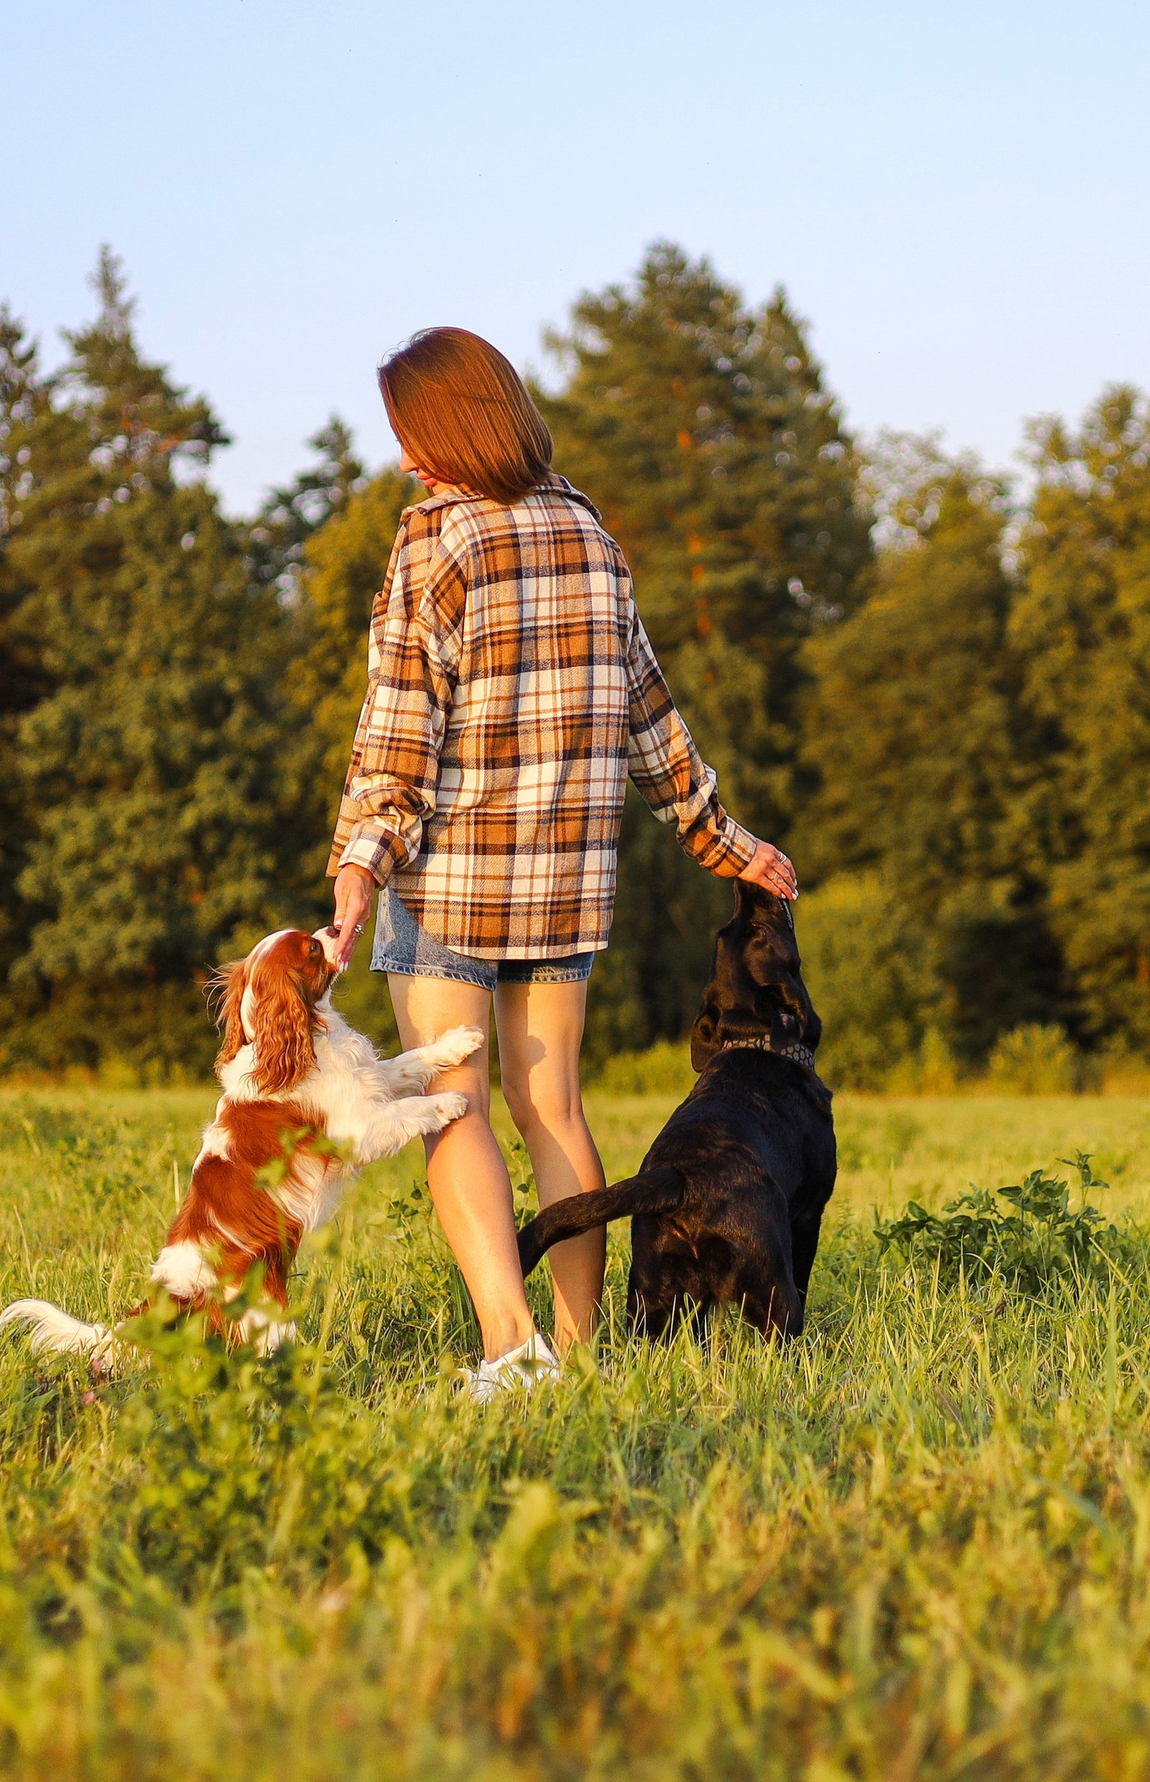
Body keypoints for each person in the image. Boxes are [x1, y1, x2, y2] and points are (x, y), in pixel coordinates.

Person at [318, 326, 797, 1397]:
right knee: (558, 1112)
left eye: (411, 435)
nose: (404, 459)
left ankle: (511, 1348)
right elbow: (651, 721)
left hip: (447, 882)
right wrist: (732, 843)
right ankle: (582, 1357)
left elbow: (397, 739)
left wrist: (357, 870)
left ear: (451, 426)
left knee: (456, 1105)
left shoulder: (432, 542)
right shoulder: (590, 535)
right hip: (566, 888)